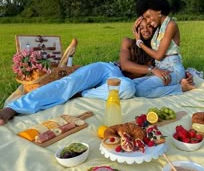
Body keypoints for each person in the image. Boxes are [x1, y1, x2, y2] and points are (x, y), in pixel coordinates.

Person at [0, 18, 193, 125]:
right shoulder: (128, 41)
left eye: (148, 27)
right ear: (135, 28)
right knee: (67, 83)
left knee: (127, 87)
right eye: (140, 26)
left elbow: (166, 72)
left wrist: (184, 78)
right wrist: (145, 55)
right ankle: (15, 107)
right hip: (107, 69)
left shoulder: (155, 51)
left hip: (118, 82)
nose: (144, 29)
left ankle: (83, 92)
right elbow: (125, 65)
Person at [131, 0, 195, 97]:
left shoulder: (171, 25)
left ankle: (181, 87)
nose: (147, 21)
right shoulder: (157, 28)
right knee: (132, 84)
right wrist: (135, 29)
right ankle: (178, 84)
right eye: (145, 18)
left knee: (140, 90)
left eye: (148, 16)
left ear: (158, 10)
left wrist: (139, 42)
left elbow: (159, 55)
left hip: (173, 70)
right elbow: (145, 33)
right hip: (161, 69)